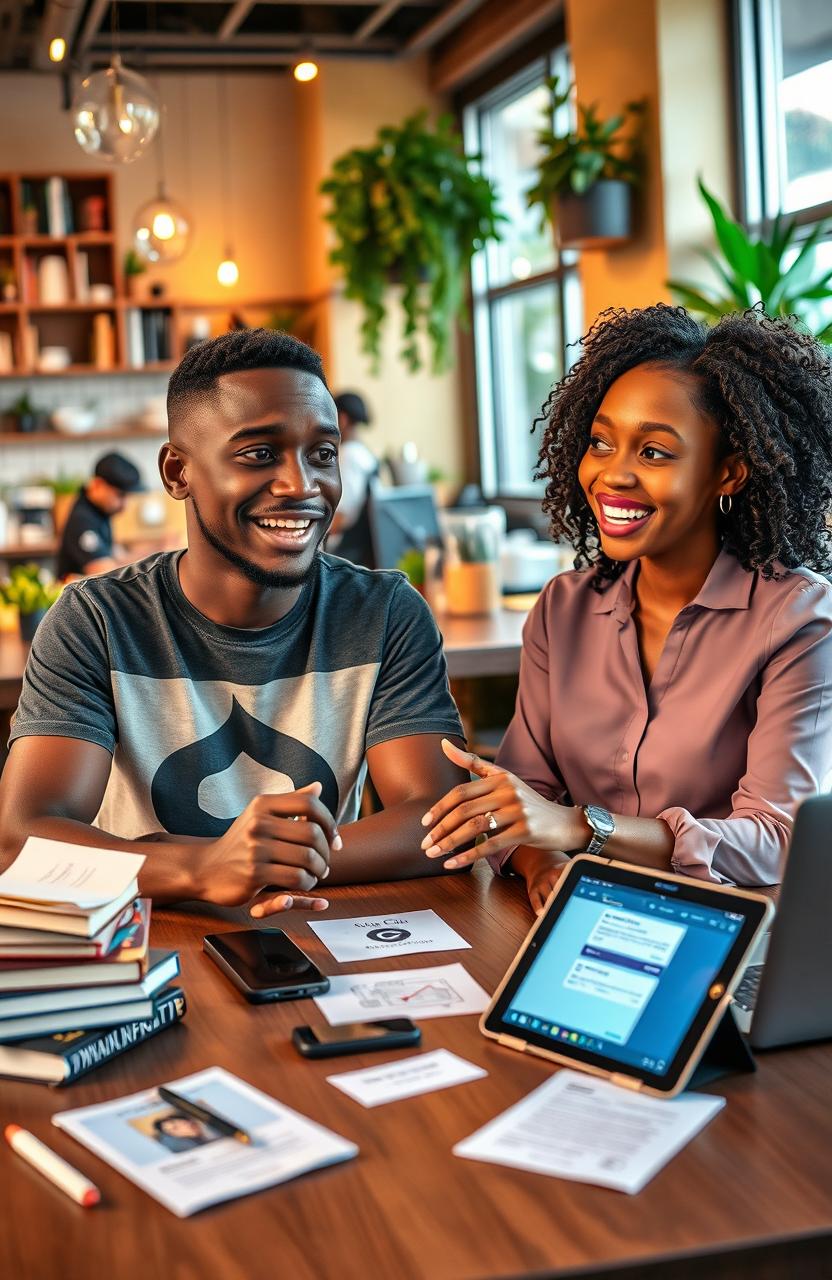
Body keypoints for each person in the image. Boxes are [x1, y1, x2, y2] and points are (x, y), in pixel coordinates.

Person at [0, 328, 466, 917]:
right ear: (177, 473)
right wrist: (202, 869)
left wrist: (253, 863)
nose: (302, 485)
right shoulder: (96, 620)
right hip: (151, 941)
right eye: (258, 454)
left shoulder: (384, 613)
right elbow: (22, 840)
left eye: (323, 453)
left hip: (316, 926)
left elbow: (442, 816)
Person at [419, 305, 832, 913]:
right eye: (601, 442)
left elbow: (777, 840)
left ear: (729, 472)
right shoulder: (563, 610)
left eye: (655, 453)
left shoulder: (797, 620)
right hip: (578, 922)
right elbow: (526, 796)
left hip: (726, 937)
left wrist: (582, 828)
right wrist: (544, 864)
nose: (613, 475)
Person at [56, 452, 143, 579]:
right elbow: (106, 574)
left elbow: (119, 557)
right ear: (97, 485)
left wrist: (159, 549)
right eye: (120, 495)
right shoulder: (82, 521)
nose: (125, 506)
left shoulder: (99, 512)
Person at [327, 391, 379, 567]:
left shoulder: (348, 456)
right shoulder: (365, 454)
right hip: (363, 548)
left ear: (342, 418)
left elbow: (342, 515)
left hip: (345, 551)